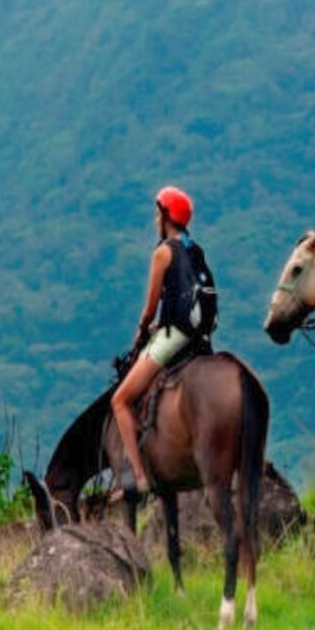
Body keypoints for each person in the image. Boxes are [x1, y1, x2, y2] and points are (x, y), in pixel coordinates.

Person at [111, 186, 216, 501]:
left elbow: (150, 307)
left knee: (120, 400)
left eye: (158, 213)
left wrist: (143, 329)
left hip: (175, 336)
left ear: (167, 217)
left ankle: (140, 477)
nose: (156, 219)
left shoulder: (162, 252)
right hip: (201, 338)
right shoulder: (195, 249)